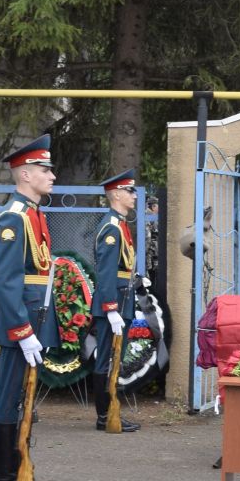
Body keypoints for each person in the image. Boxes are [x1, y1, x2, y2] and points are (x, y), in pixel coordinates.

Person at [0, 136, 60, 481]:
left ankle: (20, 470)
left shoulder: (33, 214)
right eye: (46, 170)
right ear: (26, 174)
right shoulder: (14, 219)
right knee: (11, 398)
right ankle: (6, 479)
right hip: (21, 323)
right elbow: (6, 279)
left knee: (23, 399)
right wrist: (23, 330)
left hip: (32, 318)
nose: (53, 176)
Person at [90, 169, 142, 432]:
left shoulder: (119, 224)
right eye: (130, 191)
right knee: (106, 359)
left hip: (122, 298)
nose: (134, 195)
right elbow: (106, 272)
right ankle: (105, 415)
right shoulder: (112, 228)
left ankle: (111, 412)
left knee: (114, 359)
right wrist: (111, 309)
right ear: (117, 194)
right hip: (114, 302)